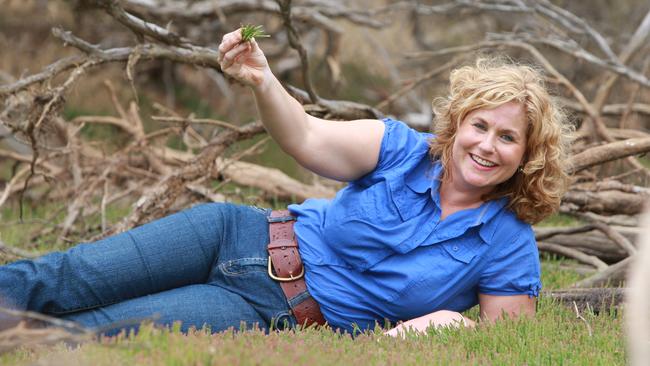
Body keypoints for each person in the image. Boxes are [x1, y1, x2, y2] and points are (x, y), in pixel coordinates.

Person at [0, 28, 572, 337]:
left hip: (273, 312)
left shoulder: (506, 243)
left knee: (98, 330)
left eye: (508, 137)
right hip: (234, 235)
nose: (487, 145)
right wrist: (263, 80)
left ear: (527, 155)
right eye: (480, 126)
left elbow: (505, 343)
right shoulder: (400, 149)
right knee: (66, 276)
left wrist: (440, 327)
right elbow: (306, 138)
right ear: (457, 125)